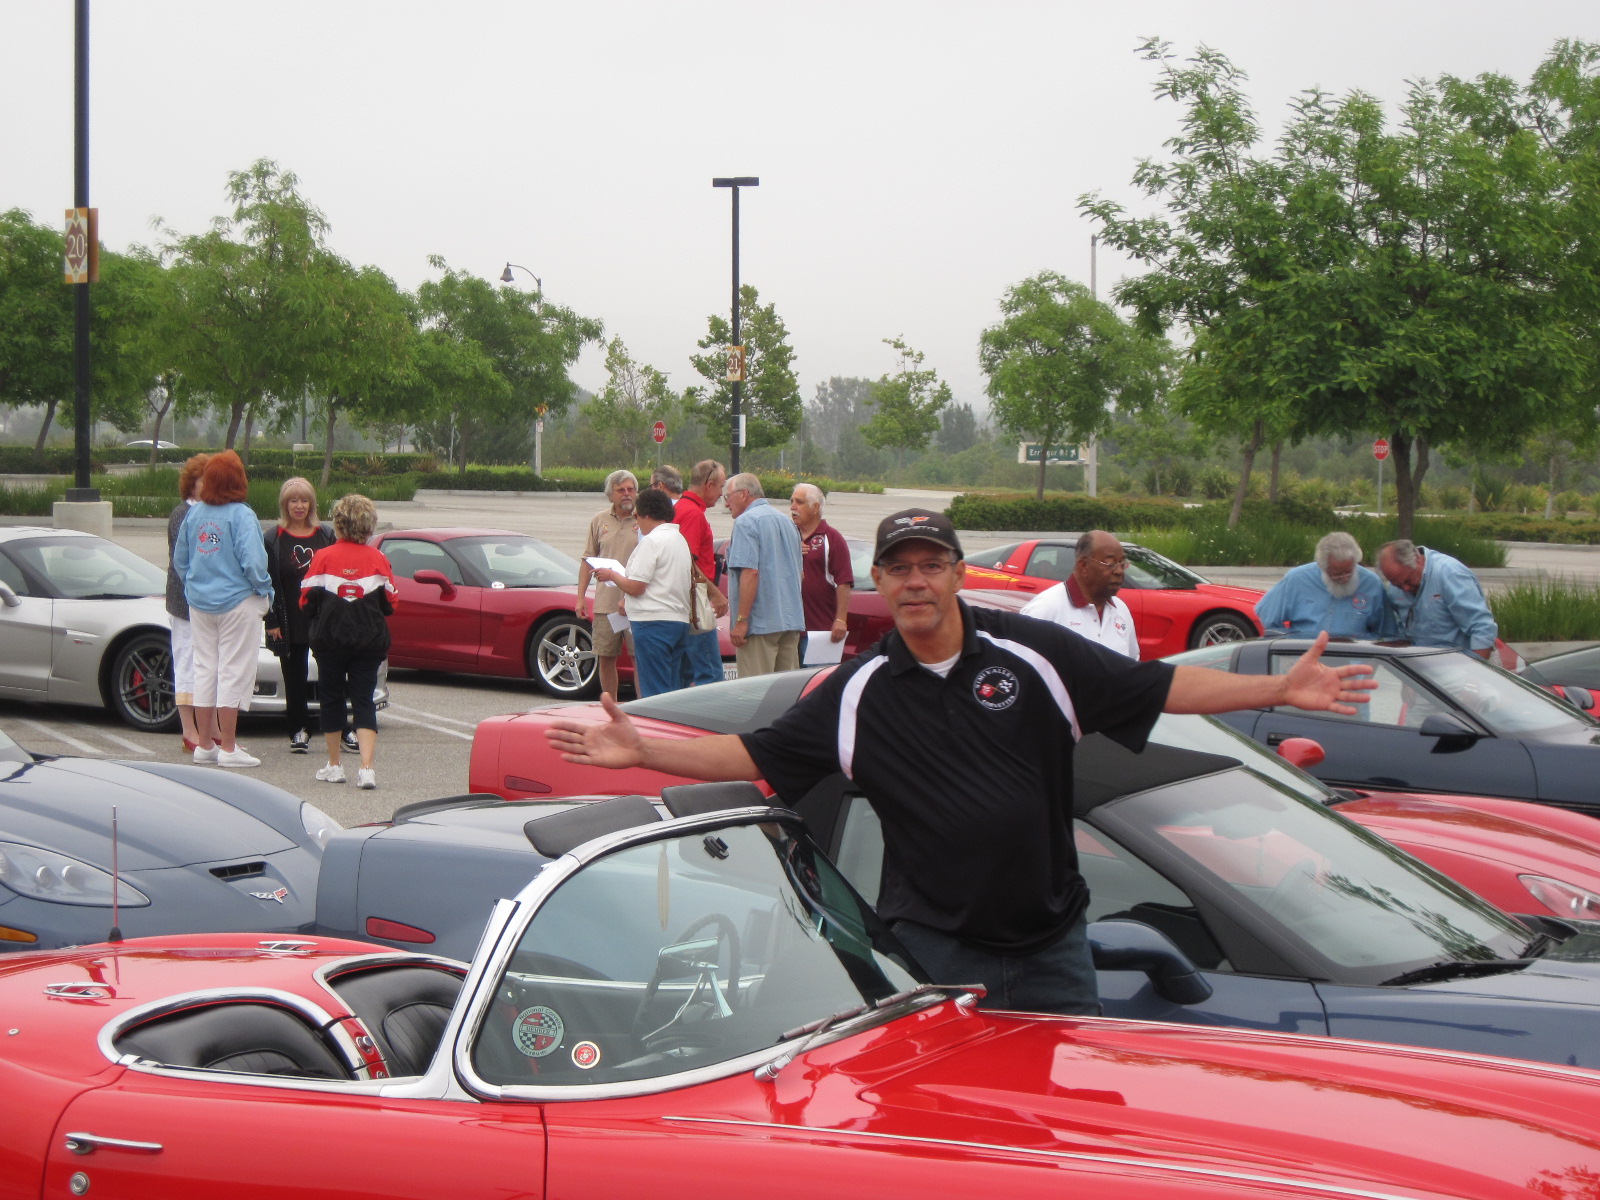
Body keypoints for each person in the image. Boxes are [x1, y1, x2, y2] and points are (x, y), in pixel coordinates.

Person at [546, 507, 1375, 1016]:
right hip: (936, 957)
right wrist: (641, 748)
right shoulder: (860, 690)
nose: (916, 582)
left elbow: (1152, 689)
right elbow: (759, 753)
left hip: (1052, 951)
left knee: (1052, 1142)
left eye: (931, 566)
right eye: (899, 569)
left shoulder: (1033, 655)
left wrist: (1279, 691)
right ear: (878, 580)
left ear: (954, 574)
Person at [172, 450, 273, 768]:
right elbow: (254, 562)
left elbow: (181, 559)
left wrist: (193, 586)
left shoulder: (195, 513)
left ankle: (204, 744)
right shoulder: (242, 515)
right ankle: (228, 747)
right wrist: (264, 588)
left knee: (205, 670)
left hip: (200, 603)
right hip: (236, 602)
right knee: (232, 671)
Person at [300, 493, 396, 789]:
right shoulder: (378, 559)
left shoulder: (323, 557)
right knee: (364, 699)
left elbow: (306, 602)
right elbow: (391, 602)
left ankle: (334, 765)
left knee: (332, 699)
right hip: (369, 640)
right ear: (369, 527)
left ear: (339, 525)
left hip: (329, 640)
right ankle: (367, 769)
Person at [593, 486, 692, 697]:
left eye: (636, 515)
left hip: (653, 623)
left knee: (654, 691)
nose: (636, 522)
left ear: (646, 514)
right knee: (673, 689)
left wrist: (612, 575)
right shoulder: (679, 540)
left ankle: (654, 729)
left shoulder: (652, 541)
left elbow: (636, 586)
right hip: (678, 620)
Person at [263, 477, 336, 754]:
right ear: (285, 504)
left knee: (332, 676)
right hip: (289, 620)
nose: (299, 506)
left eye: (304, 500)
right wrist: (271, 621)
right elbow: (266, 581)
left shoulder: (326, 535)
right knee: (294, 679)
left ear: (312, 504)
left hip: (322, 619)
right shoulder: (273, 538)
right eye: (293, 500)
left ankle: (339, 729)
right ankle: (299, 730)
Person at [723, 472, 804, 676]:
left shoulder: (746, 523)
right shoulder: (788, 523)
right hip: (789, 622)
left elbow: (750, 573)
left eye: (727, 497)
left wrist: (741, 621)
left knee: (754, 695)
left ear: (743, 494)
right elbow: (800, 574)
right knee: (785, 696)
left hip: (760, 626)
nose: (726, 504)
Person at [1020, 529, 1139, 659]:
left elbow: (1132, 663)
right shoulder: (1045, 610)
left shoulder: (1121, 610)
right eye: (1110, 563)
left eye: (1123, 563)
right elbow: (1022, 667)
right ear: (1083, 566)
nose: (1119, 571)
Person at [1257, 531, 1395, 641]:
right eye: (1336, 574)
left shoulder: (1372, 584)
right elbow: (1269, 619)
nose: (1344, 578)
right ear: (1322, 566)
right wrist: (1290, 643)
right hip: (1306, 662)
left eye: (1349, 571)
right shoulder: (1297, 579)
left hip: (1354, 665)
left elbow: (1387, 632)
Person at [574, 470, 640, 699]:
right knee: (605, 657)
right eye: (621, 490)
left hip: (636, 602)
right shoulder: (599, 520)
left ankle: (643, 709)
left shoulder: (644, 519)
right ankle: (610, 705)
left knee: (639, 658)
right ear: (610, 494)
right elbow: (586, 560)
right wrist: (581, 597)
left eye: (631, 489)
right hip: (605, 604)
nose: (627, 494)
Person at [1377, 539, 1498, 658]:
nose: (1405, 588)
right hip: (1418, 666)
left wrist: (1476, 672)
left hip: (1459, 664)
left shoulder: (1450, 574)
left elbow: (1482, 629)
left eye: (1408, 580)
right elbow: (1400, 631)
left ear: (1418, 560)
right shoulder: (1396, 586)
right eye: (1397, 584)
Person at [165, 452, 210, 754]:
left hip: (210, 603)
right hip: (184, 601)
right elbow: (186, 561)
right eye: (201, 481)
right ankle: (189, 730)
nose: (206, 486)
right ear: (190, 484)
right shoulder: (183, 514)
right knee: (186, 662)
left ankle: (210, 730)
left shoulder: (216, 512)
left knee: (210, 666)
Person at [673, 459, 730, 686]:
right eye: (720, 487)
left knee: (683, 672)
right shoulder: (692, 514)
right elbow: (687, 561)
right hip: (694, 604)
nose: (721, 494)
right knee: (710, 672)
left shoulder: (681, 508)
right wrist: (715, 593)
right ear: (709, 484)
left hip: (683, 603)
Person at [790, 483, 853, 661]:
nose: (793, 507)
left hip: (820, 633)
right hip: (787, 633)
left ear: (816, 507)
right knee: (791, 686)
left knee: (818, 683)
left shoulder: (831, 538)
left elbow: (844, 581)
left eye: (799, 502)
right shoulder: (787, 536)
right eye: (792, 501)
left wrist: (841, 619)